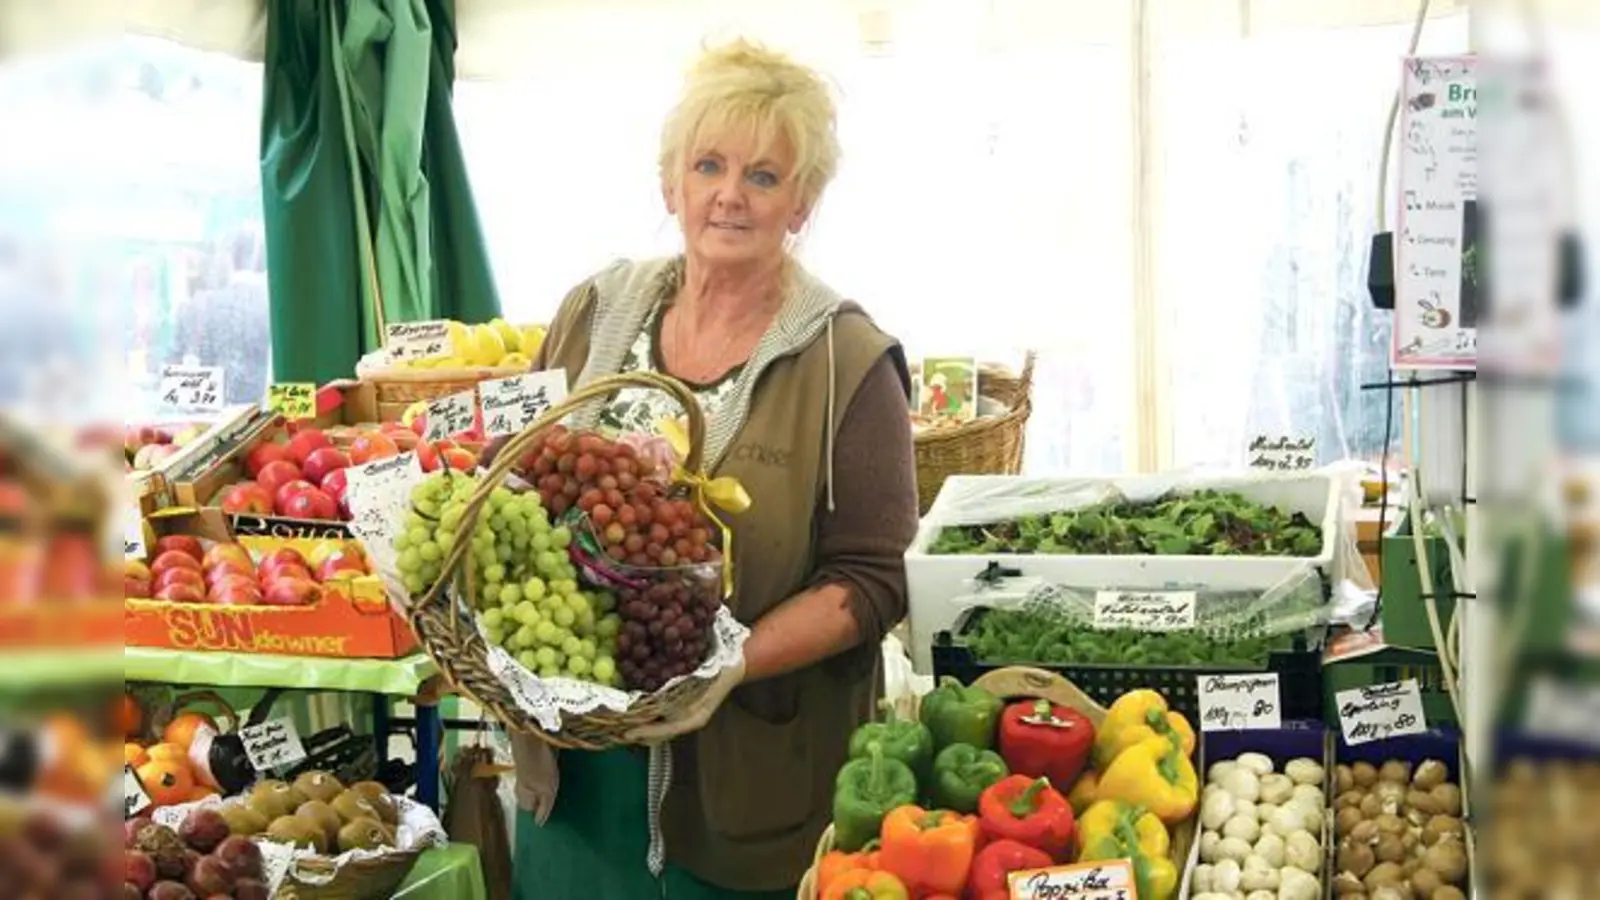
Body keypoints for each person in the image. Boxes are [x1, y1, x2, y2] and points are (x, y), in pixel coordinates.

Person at [506, 39, 920, 899]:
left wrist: (725, 666)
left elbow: (876, 578)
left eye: (764, 176)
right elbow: (516, 479)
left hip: (750, 796)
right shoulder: (592, 315)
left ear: (801, 202)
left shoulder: (847, 358)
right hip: (578, 785)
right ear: (671, 185)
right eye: (708, 166)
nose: (731, 195)